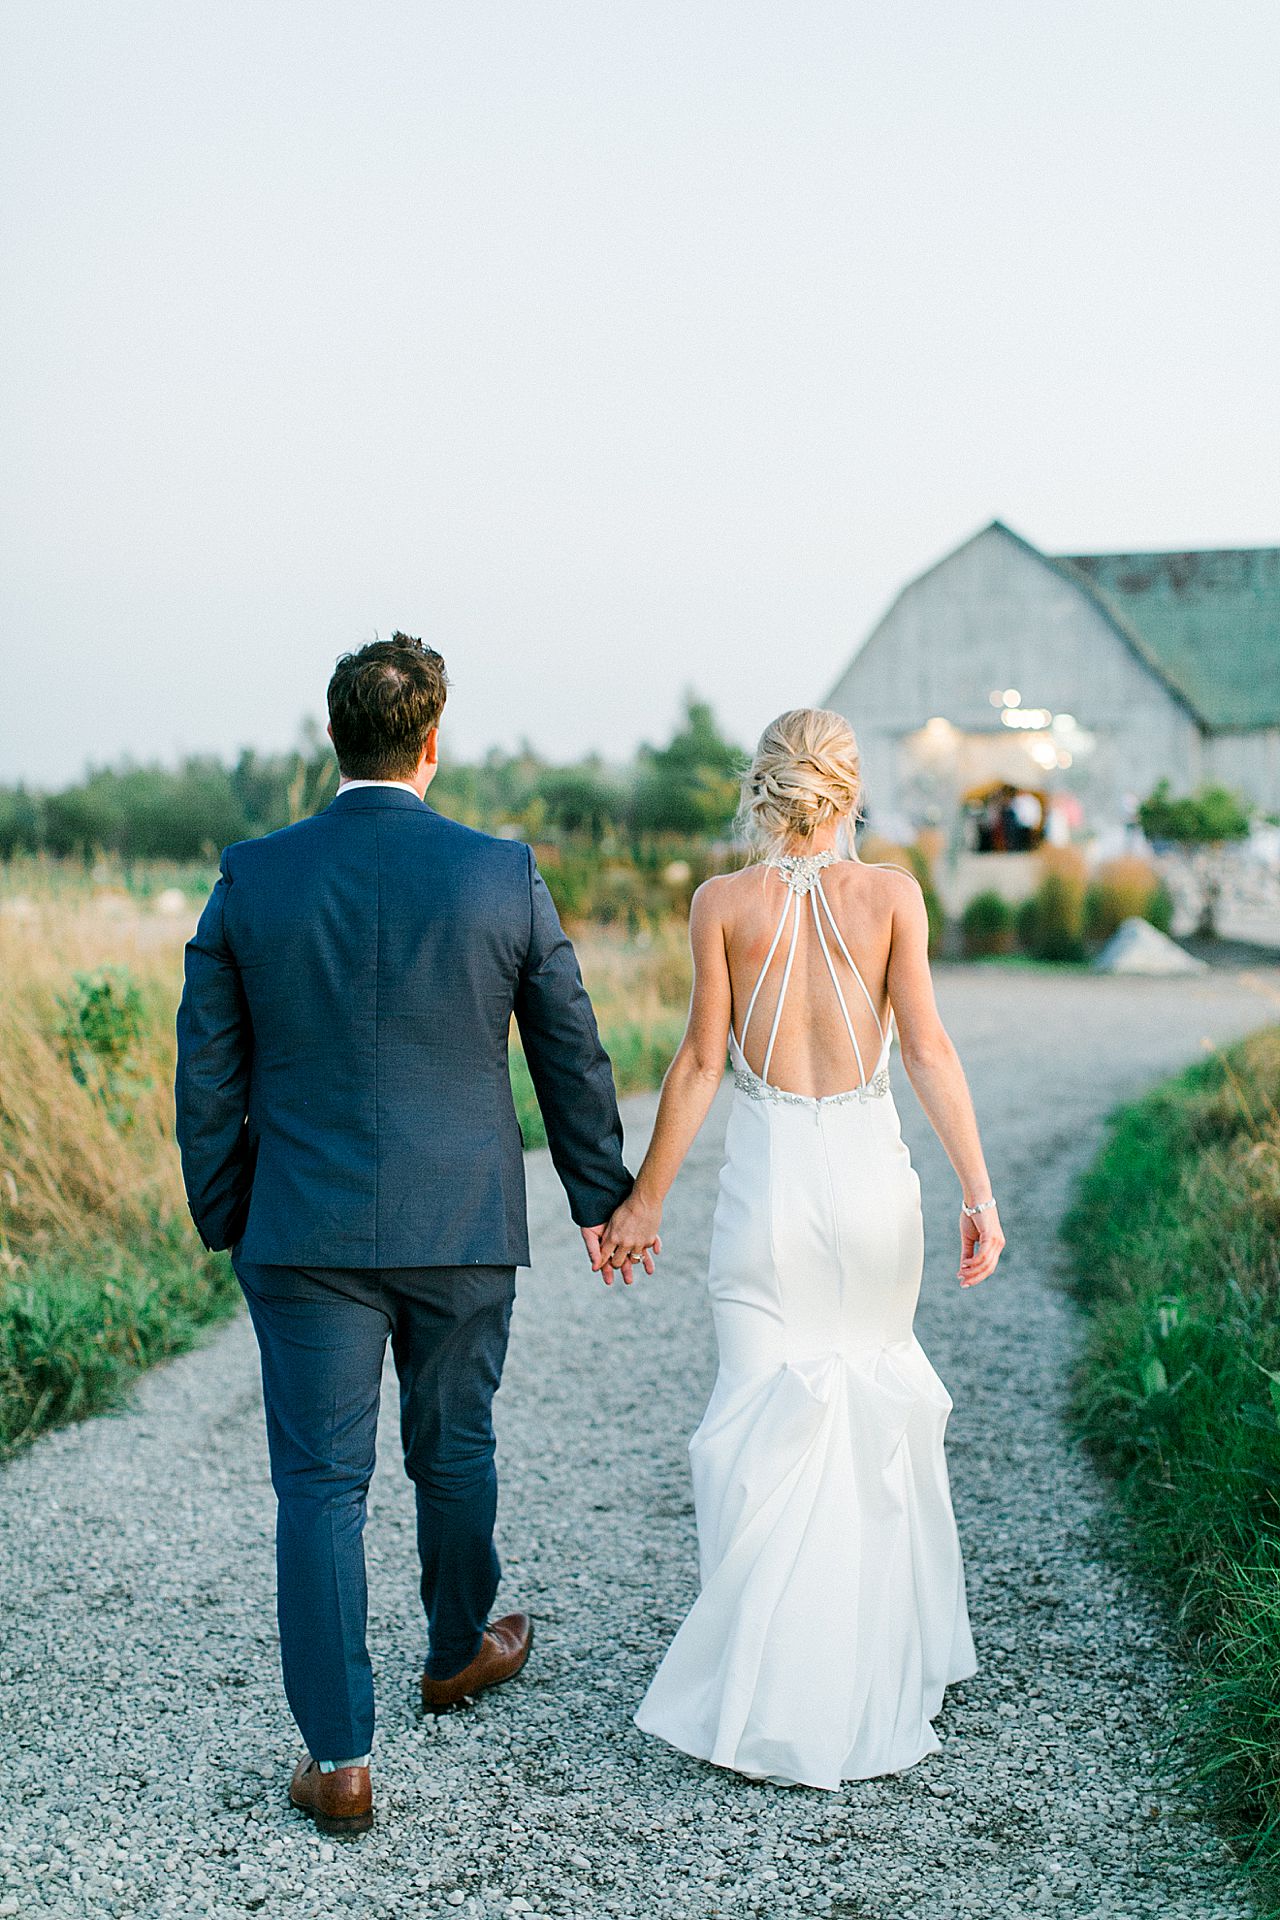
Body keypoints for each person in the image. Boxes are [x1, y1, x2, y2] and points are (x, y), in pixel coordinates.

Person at [175, 635, 645, 1837]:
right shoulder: (500, 875)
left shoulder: (252, 877)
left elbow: (205, 1071)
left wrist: (229, 1210)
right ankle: (452, 1653)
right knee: (455, 1444)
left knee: (320, 1488)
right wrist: (600, 1197)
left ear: (332, 740)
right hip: (461, 1222)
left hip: (304, 1232)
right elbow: (568, 1049)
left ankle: (338, 1759)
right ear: (432, 742)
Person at [600, 707, 1004, 1791]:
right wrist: (976, 1189)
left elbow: (695, 1064)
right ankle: (881, 1662)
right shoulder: (893, 899)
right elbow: (923, 1048)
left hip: (770, 1190)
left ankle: (770, 1685)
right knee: (873, 1404)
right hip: (872, 1183)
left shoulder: (719, 906)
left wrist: (643, 1203)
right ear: (847, 789)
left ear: (763, 788)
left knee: (755, 1418)